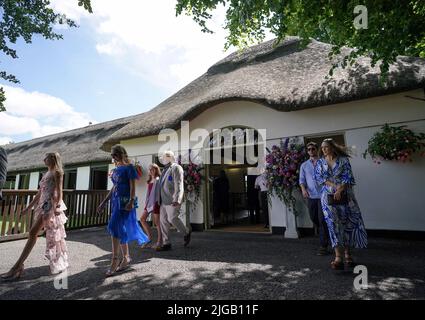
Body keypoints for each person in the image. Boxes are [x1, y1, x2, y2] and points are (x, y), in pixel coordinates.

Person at [1, 153, 68, 280]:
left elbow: (60, 191)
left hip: (50, 207)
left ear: (53, 159)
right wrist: (28, 207)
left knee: (33, 233)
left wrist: (58, 206)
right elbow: (39, 193)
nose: (43, 159)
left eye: (46, 157)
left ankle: (17, 267)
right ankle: (18, 267)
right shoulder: (47, 173)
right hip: (43, 205)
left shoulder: (57, 172)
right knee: (35, 234)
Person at [315, 138, 367, 270]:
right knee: (333, 225)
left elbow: (348, 176)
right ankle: (338, 257)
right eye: (322, 148)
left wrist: (341, 188)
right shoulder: (320, 162)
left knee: (347, 224)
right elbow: (320, 178)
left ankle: (348, 254)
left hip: (346, 196)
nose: (323, 149)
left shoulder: (343, 160)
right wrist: (335, 187)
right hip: (328, 197)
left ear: (332, 147)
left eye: (326, 147)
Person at [97, 145, 149, 277]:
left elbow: (132, 186)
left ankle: (114, 260)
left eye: (115, 155)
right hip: (115, 202)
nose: (113, 157)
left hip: (125, 203)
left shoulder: (129, 168)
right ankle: (126, 258)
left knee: (114, 227)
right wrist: (104, 202)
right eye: (112, 155)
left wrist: (131, 201)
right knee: (120, 229)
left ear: (121, 155)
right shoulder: (116, 170)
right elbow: (114, 187)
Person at [155, 150, 191, 251]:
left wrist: (177, 199)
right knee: (163, 222)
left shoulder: (176, 167)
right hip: (163, 200)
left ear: (171, 157)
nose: (164, 158)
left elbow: (179, 184)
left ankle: (186, 232)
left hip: (172, 199)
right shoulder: (164, 170)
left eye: (166, 156)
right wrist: (158, 199)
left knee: (172, 219)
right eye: (163, 156)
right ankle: (166, 243)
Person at [299, 142, 330, 255]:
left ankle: (323, 246)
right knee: (314, 218)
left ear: (317, 149)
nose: (311, 151)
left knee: (322, 220)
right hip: (311, 196)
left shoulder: (324, 162)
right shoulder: (304, 165)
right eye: (309, 149)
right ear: (307, 151)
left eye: (313, 148)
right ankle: (326, 234)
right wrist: (303, 189)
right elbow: (301, 180)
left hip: (323, 195)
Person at [140, 164, 162, 249]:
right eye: (150, 170)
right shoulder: (150, 180)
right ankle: (149, 238)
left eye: (153, 169)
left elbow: (159, 193)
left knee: (157, 223)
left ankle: (159, 242)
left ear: (156, 170)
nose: (151, 171)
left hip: (156, 203)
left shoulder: (158, 179)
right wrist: (146, 202)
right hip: (149, 203)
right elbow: (148, 193)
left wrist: (158, 202)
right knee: (142, 219)